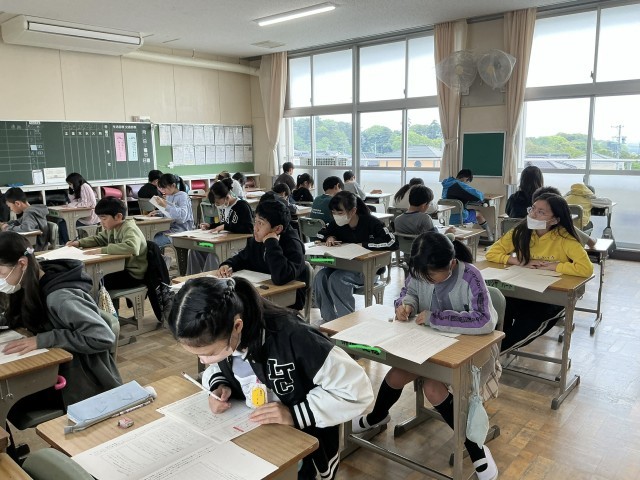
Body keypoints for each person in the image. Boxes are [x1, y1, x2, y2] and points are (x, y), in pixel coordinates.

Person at [167, 276, 373, 480]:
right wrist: (219, 384)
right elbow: (224, 366)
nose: (203, 361)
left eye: (209, 353)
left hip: (304, 444)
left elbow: (357, 390)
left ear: (237, 326)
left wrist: (294, 415)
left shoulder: (296, 338)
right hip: (256, 438)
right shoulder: (226, 334)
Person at [352, 231, 499, 480]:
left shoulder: (471, 276)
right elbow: (408, 292)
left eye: (432, 276)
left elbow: (485, 321)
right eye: (422, 276)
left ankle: (476, 449)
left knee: (432, 388)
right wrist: (405, 305)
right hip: (428, 348)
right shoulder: (420, 270)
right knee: (396, 375)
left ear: (451, 264)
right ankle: (378, 417)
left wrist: (435, 318)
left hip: (471, 355)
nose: (427, 281)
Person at [0, 231, 122, 407]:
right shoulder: (28, 281)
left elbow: (103, 336)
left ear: (22, 263)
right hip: (59, 368)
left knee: (8, 399)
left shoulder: (61, 298)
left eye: (1, 272)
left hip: (81, 380)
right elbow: (20, 317)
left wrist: (44, 340)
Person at [486, 193, 594, 353]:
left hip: (550, 298)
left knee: (522, 328)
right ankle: (490, 354)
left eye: (541, 212)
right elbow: (492, 253)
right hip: (522, 291)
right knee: (499, 309)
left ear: (555, 220)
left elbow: (586, 269)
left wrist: (556, 266)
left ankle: (492, 355)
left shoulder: (564, 238)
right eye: (533, 209)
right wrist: (519, 261)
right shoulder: (521, 231)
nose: (533, 214)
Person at [314, 191, 398, 323]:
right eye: (333, 213)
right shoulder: (337, 224)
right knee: (320, 276)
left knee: (337, 279)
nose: (336, 216)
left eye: (340, 213)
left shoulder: (372, 223)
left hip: (367, 270)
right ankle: (329, 320)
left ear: (353, 211)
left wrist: (364, 244)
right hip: (342, 266)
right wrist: (329, 237)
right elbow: (320, 234)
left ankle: (347, 322)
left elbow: (392, 242)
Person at [215, 199, 306, 309]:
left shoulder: (293, 245)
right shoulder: (257, 240)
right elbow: (242, 258)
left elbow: (281, 277)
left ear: (278, 229)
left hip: (287, 301)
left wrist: (271, 243)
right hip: (260, 294)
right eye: (255, 221)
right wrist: (228, 265)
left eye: (261, 223)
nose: (255, 228)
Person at [67, 197, 148, 290]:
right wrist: (78, 243)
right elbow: (99, 239)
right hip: (119, 267)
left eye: (104, 219)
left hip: (133, 274)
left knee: (96, 281)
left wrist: (101, 250)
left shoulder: (130, 228)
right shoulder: (113, 228)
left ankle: (102, 300)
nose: (101, 222)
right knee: (90, 277)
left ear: (118, 217)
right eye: (100, 219)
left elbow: (132, 247)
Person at [187, 178, 253, 274]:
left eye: (217, 203)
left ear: (227, 197)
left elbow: (248, 229)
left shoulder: (242, 206)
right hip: (224, 243)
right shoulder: (225, 207)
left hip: (238, 246)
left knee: (213, 255)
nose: (217, 205)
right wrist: (210, 225)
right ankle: (192, 278)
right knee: (194, 251)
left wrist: (225, 227)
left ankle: (209, 280)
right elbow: (225, 223)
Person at [441, 169, 493, 241]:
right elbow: (478, 196)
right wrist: (482, 195)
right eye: (467, 182)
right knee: (479, 214)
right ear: (466, 179)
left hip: (446, 217)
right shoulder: (459, 184)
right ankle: (490, 237)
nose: (467, 184)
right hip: (459, 217)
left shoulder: (447, 184)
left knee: (468, 211)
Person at [150, 174, 195, 247]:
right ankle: (160, 254)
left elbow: (182, 217)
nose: (163, 191)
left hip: (182, 231)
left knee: (152, 242)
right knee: (149, 238)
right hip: (169, 229)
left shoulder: (183, 196)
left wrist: (165, 206)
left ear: (173, 185)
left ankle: (159, 254)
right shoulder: (169, 196)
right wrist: (158, 213)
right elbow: (169, 213)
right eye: (161, 188)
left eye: (164, 188)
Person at [57, 172, 100, 244]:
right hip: (82, 217)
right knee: (61, 223)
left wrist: (73, 205)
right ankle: (64, 244)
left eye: (70, 184)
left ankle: (68, 244)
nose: (70, 186)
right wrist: (71, 193)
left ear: (75, 182)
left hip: (89, 218)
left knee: (64, 224)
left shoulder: (84, 186)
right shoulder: (78, 189)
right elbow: (75, 202)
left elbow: (86, 204)